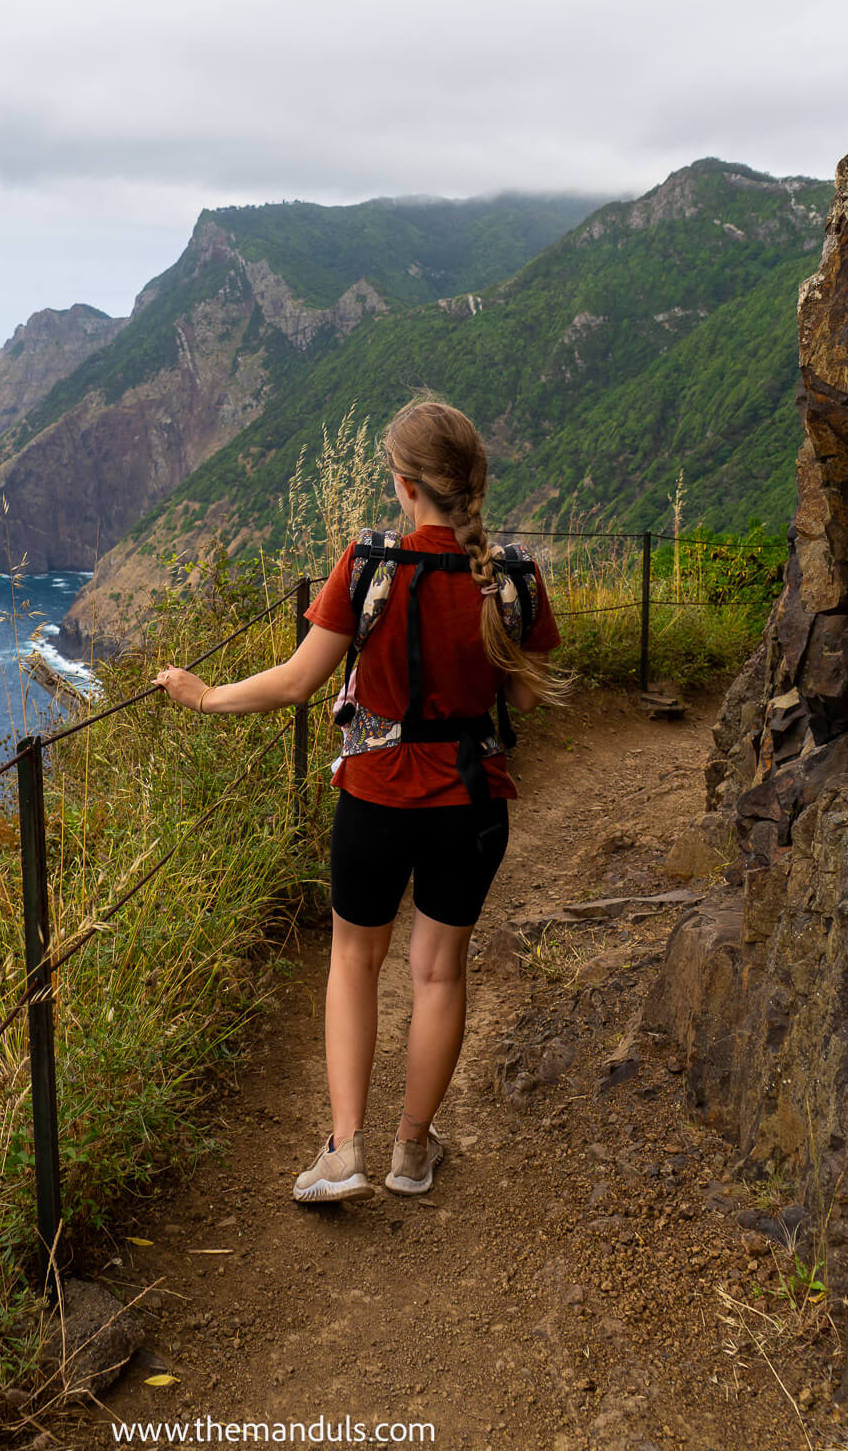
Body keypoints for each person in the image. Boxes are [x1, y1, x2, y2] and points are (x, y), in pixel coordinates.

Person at [155, 398, 562, 1204]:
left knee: (354, 960)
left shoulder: (372, 562)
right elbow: (529, 695)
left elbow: (299, 682)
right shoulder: (513, 574)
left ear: (405, 485)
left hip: (375, 797)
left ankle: (344, 1153)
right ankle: (414, 1152)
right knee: (440, 973)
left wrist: (204, 697)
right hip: (473, 802)